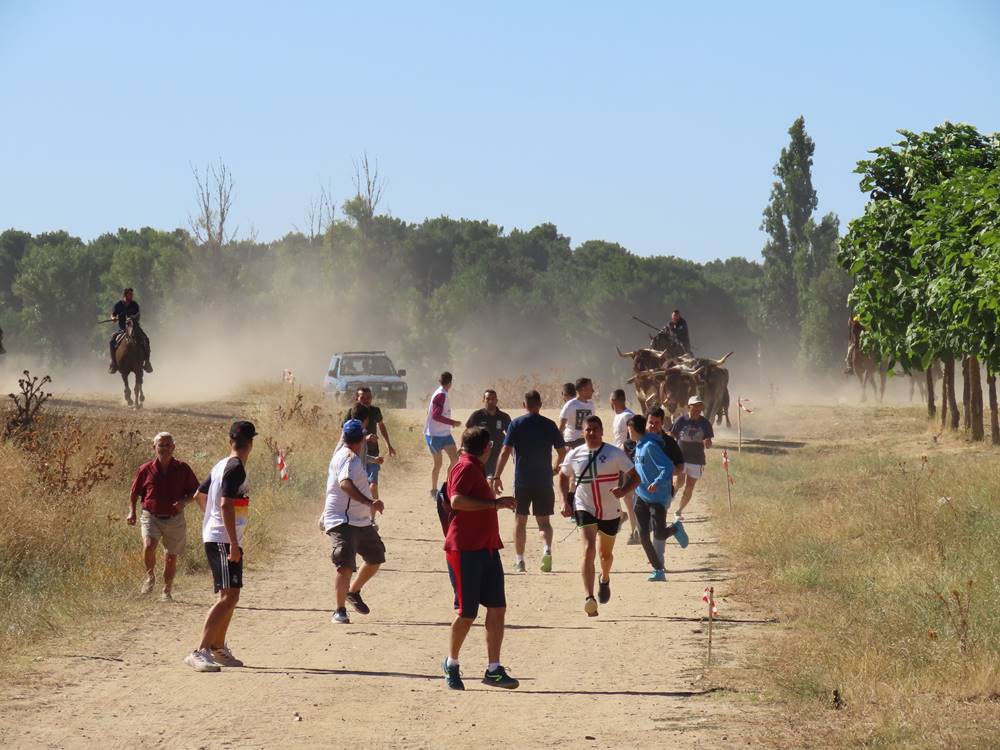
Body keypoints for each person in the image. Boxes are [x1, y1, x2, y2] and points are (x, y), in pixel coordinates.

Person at [443, 427, 519, 690]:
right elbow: (457, 501)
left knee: (497, 608)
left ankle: (494, 669)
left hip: (487, 549)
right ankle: (451, 664)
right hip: (465, 550)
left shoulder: (473, 466)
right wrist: (495, 504)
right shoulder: (464, 467)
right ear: (487, 448)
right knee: (467, 613)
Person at [184, 420, 255, 672]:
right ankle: (199, 650)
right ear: (251, 443)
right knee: (228, 597)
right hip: (224, 539)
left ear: (230, 441)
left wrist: (210, 520)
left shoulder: (221, 464)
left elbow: (198, 496)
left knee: (231, 596)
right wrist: (231, 540)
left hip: (219, 535)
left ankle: (218, 648)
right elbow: (225, 504)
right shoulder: (235, 467)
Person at [558, 415, 639, 617]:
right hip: (584, 507)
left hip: (610, 510)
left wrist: (623, 490)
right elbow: (562, 476)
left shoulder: (615, 454)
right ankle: (589, 597)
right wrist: (564, 501)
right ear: (583, 432)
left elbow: (636, 477)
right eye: (588, 430)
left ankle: (605, 578)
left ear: (602, 432)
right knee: (588, 549)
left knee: (605, 555)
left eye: (595, 429)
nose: (592, 433)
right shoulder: (575, 454)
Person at [492, 390, 566, 573]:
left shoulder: (516, 424)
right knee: (544, 522)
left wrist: (497, 476)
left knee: (520, 520)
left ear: (524, 405)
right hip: (543, 480)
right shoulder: (549, 425)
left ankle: (520, 561)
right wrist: (555, 469)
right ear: (540, 404)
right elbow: (562, 452)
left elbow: (505, 452)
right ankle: (547, 549)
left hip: (522, 481)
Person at [324, 419, 387, 624]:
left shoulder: (349, 455)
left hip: (359, 520)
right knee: (345, 564)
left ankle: (353, 592)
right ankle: (339, 610)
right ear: (361, 439)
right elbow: (345, 484)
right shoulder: (349, 458)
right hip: (344, 520)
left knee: (376, 556)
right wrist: (371, 502)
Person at [127, 431, 200, 601]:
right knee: (149, 545)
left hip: (174, 518)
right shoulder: (145, 469)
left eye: (168, 445)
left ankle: (166, 591)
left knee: (170, 557)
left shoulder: (182, 468)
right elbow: (134, 493)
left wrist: (184, 501)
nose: (165, 448)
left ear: (173, 447)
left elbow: (195, 492)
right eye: (161, 445)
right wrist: (132, 511)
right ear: (154, 447)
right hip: (150, 515)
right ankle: (150, 577)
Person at [629, 415, 688, 581]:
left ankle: (675, 529)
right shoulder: (638, 445)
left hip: (657, 497)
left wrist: (657, 482)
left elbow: (668, 466)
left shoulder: (649, 447)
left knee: (660, 533)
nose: (628, 432)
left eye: (629, 429)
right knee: (643, 535)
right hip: (641, 496)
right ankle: (658, 569)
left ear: (634, 429)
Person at [644, 407, 686, 568]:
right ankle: (675, 529)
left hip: (662, 492)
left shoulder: (669, 442)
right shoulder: (640, 440)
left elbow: (680, 466)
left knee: (657, 526)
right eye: (650, 422)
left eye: (657, 423)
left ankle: (658, 562)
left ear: (662, 423)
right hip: (641, 491)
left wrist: (666, 474)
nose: (653, 426)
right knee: (645, 528)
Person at [344, 387, 396, 502]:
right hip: (355, 456)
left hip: (373, 452)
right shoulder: (351, 412)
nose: (366, 400)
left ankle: (373, 515)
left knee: (373, 485)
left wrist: (388, 444)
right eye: (363, 397)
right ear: (357, 398)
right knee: (360, 487)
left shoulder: (375, 411)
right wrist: (365, 438)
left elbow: (381, 425)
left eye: (369, 398)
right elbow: (344, 435)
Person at [670, 395, 715, 521]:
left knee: (689, 487)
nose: (697, 408)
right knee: (679, 482)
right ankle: (667, 501)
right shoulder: (681, 420)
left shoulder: (705, 423)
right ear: (689, 406)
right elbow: (671, 436)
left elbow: (708, 440)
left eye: (699, 405)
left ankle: (679, 511)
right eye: (694, 406)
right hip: (681, 458)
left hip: (697, 459)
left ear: (702, 407)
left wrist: (708, 443)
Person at [425, 371, 461, 497]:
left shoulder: (442, 393)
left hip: (444, 433)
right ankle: (434, 490)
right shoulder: (440, 394)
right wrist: (453, 422)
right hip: (434, 435)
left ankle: (447, 486)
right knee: (438, 464)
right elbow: (435, 415)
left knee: (455, 459)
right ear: (450, 383)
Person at [609, 388, 638, 545]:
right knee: (615, 492)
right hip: (619, 459)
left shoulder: (627, 416)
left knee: (628, 497)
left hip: (626, 461)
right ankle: (622, 516)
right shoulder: (618, 416)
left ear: (614, 401)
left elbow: (632, 440)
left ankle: (636, 532)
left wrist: (626, 461)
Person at [465, 389, 511, 480]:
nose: (490, 401)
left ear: (497, 400)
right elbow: (467, 433)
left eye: (493, 399)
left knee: (492, 480)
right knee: (478, 480)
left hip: (496, 455)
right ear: (483, 400)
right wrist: (463, 447)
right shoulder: (477, 415)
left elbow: (511, 435)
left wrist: (513, 451)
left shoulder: (504, 417)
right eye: (487, 399)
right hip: (479, 454)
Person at [108, 287, 152, 374]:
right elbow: (113, 315)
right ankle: (113, 363)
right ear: (125, 294)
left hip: (134, 328)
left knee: (146, 339)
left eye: (132, 294)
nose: (132, 296)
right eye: (130, 294)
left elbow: (138, 315)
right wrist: (113, 318)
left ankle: (147, 362)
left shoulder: (135, 304)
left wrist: (133, 317)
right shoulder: (118, 305)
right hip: (122, 329)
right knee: (112, 340)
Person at [559, 377, 595, 450]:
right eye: (591, 388)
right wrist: (561, 446)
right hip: (572, 442)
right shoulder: (570, 405)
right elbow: (561, 427)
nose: (593, 391)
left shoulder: (591, 405)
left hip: (586, 442)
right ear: (583, 389)